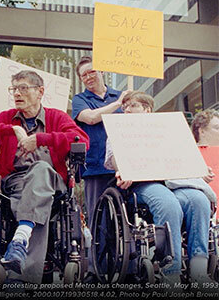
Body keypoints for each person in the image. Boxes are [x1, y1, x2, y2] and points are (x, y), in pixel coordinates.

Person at [0, 70, 89, 283]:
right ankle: (23, 250)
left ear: (40, 91)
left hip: (53, 182)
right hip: (16, 183)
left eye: (23, 88)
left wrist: (41, 139)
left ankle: (20, 249)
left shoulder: (56, 116)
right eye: (14, 89)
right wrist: (11, 130)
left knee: (41, 169)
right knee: (36, 207)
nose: (17, 93)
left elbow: (81, 139)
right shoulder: (8, 117)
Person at [104, 91, 216, 283]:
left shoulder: (166, 129)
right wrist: (124, 169)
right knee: (168, 203)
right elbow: (113, 159)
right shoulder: (118, 130)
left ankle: (199, 270)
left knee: (199, 201)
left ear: (147, 109)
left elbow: (184, 156)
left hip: (176, 182)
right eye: (125, 107)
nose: (127, 109)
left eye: (133, 105)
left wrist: (199, 168)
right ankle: (170, 273)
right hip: (144, 185)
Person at [71, 56, 128, 280]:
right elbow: (92, 118)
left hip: (123, 167)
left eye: (91, 72)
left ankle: (128, 269)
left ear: (102, 71)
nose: (88, 77)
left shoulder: (122, 95)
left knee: (125, 220)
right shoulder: (80, 100)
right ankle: (96, 271)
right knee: (98, 219)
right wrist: (118, 104)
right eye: (83, 75)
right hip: (95, 167)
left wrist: (125, 102)